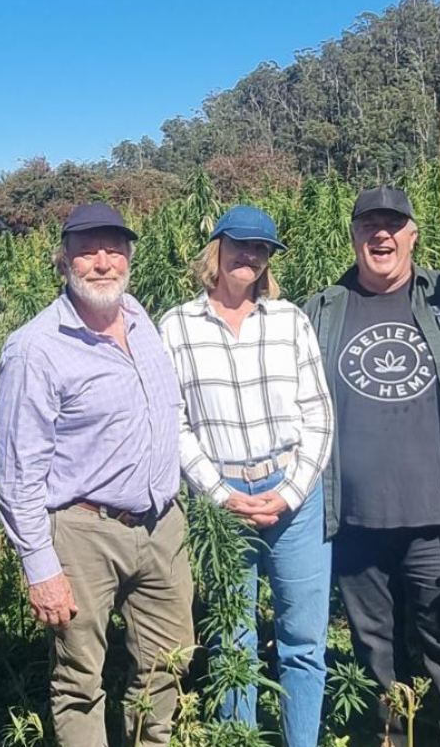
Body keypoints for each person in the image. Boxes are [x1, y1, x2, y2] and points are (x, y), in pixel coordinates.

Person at [0, 202, 194, 747]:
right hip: (84, 534)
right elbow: (18, 473)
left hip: (161, 527)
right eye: (88, 251)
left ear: (129, 255)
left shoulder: (139, 317)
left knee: (167, 668)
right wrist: (41, 569)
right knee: (80, 681)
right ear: (64, 259)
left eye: (114, 249)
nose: (103, 262)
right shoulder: (36, 349)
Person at [304, 187, 440, 747]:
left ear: (413, 234)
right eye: (368, 225)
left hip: (438, 516)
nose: (380, 235)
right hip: (356, 520)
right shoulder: (323, 309)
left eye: (393, 224)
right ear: (354, 236)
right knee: (377, 663)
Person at [158, 205, 333, 747]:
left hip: (294, 498)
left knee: (302, 641)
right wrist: (221, 493)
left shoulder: (290, 321)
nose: (250, 256)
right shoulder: (177, 327)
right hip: (222, 505)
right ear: (216, 249)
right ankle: (238, 739)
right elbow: (174, 422)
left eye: (261, 249)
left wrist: (288, 492)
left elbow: (319, 416)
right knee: (233, 640)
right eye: (239, 245)